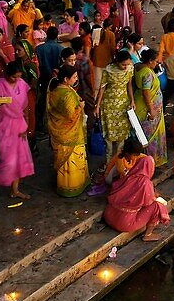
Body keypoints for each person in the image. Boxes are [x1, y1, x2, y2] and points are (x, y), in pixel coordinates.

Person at [103, 139, 169, 241]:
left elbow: (116, 187)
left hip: (109, 215)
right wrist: (154, 196)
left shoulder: (128, 176)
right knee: (158, 207)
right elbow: (148, 203)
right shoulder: (146, 183)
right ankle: (148, 235)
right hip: (123, 223)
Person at [0, 62, 35, 198]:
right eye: (14, 77)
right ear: (7, 75)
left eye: (19, 77)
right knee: (8, 161)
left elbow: (25, 106)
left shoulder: (22, 84)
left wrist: (26, 122)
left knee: (20, 158)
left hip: (19, 124)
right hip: (4, 126)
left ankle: (15, 189)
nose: (17, 80)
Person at [46, 65, 88, 197]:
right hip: (70, 134)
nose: (76, 79)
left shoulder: (56, 90)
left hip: (59, 133)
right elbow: (71, 116)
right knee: (73, 160)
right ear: (65, 79)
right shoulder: (67, 94)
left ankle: (63, 185)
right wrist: (80, 107)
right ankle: (73, 186)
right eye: (74, 77)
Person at [96, 50, 135, 162]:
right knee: (109, 134)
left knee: (121, 135)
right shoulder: (108, 70)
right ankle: (109, 163)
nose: (125, 67)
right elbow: (102, 88)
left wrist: (132, 100)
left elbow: (129, 86)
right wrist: (97, 105)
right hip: (108, 106)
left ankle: (119, 161)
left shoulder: (130, 69)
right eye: (123, 64)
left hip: (123, 105)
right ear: (117, 62)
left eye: (127, 64)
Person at [132, 50, 167, 166]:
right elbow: (146, 92)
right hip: (147, 108)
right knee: (150, 136)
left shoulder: (138, 66)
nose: (157, 64)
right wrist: (151, 109)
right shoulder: (147, 73)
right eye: (156, 61)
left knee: (144, 134)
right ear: (150, 61)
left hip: (141, 105)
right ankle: (151, 161)